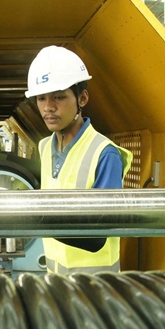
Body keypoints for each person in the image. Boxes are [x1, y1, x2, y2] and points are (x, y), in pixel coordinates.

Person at [25, 45, 133, 274]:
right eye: (41, 98)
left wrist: (29, 220)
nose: (48, 107)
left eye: (59, 97)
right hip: (57, 283)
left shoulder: (105, 154)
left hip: (94, 289)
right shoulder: (45, 147)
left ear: (82, 98)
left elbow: (97, 237)